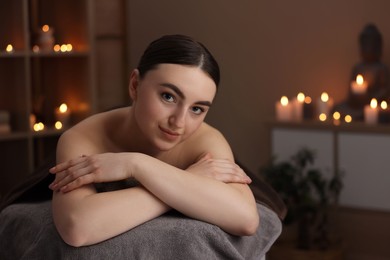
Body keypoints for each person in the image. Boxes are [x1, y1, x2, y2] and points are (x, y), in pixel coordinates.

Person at [48, 34, 259, 247]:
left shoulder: (205, 141)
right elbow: (77, 228)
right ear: (135, 85)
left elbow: (246, 219)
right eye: (168, 97)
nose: (179, 122)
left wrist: (135, 165)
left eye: (197, 109)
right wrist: (186, 180)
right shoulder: (83, 138)